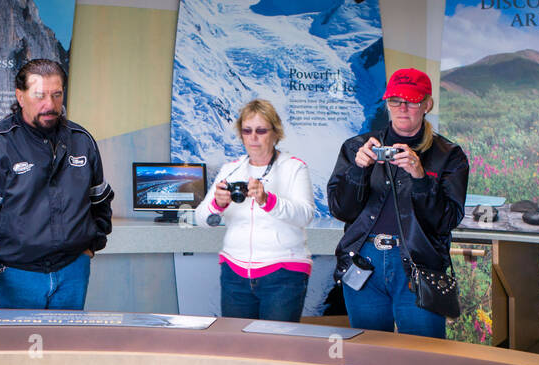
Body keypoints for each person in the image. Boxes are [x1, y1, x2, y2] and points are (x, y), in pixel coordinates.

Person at [0, 58, 114, 311]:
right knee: (14, 350)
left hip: (72, 273)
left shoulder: (82, 141)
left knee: (64, 348)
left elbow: (100, 200)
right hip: (14, 276)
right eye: (39, 96)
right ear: (20, 96)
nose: (50, 104)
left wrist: (90, 245)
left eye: (57, 95)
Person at [328, 68, 468, 337]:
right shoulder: (356, 147)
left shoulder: (449, 155)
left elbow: (447, 220)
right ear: (387, 104)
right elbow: (341, 210)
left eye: (411, 101)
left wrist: (420, 178)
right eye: (395, 101)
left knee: (424, 356)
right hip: (363, 263)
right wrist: (359, 170)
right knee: (368, 353)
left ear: (427, 104)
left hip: (419, 267)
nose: (402, 108)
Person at [194, 99, 315, 322]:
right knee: (239, 347)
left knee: (277, 348)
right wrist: (217, 204)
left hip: (284, 274)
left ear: (275, 133)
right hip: (235, 273)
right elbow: (200, 219)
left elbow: (305, 215)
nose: (253, 138)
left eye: (261, 131)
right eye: (247, 131)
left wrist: (267, 200)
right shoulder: (230, 169)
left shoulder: (294, 167)